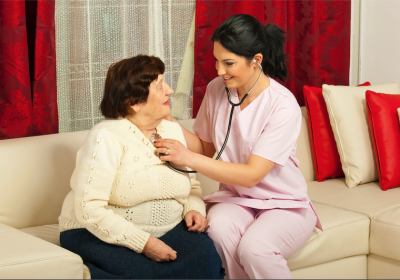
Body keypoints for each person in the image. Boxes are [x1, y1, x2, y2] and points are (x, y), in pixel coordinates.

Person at [154, 14, 322, 279]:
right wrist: (168, 120)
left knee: (255, 249)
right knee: (217, 232)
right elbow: (208, 149)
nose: (220, 71)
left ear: (256, 60)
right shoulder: (216, 89)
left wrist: (185, 156)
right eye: (217, 61)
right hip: (235, 199)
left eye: (228, 63)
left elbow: (251, 175)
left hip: (284, 204)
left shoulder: (281, 104)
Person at [58, 55, 225, 279]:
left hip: (168, 229)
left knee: (206, 259)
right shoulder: (105, 136)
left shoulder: (172, 130)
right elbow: (89, 209)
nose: (170, 90)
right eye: (159, 86)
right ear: (134, 102)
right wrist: (145, 244)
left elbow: (191, 184)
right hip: (96, 232)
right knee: (143, 272)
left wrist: (193, 209)